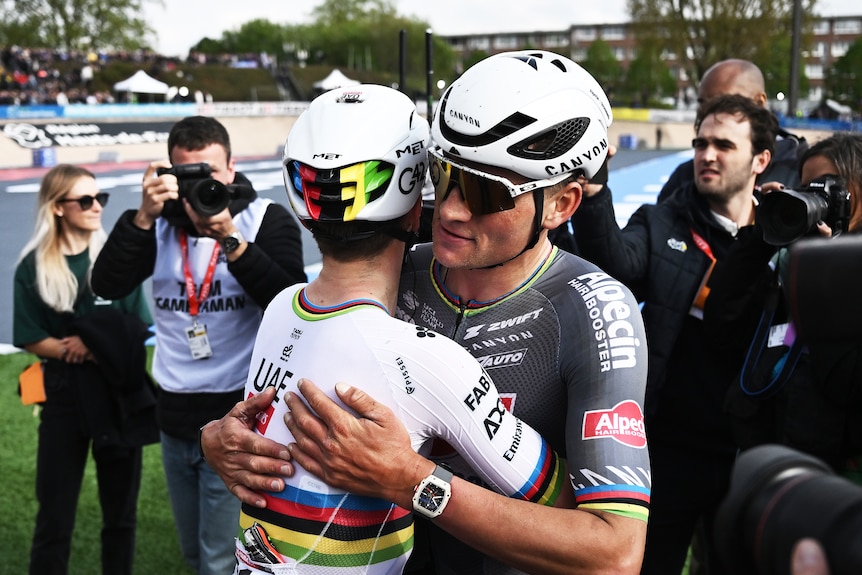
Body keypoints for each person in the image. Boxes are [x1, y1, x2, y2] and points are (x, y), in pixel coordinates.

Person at [202, 50, 651, 575]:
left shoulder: (593, 309)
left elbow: (615, 553)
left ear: (562, 205)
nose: (453, 209)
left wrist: (412, 481)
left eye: (486, 192)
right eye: (443, 174)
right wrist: (224, 440)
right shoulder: (398, 269)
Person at [570, 93, 779, 575]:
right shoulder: (662, 220)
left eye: (724, 144)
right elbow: (614, 268)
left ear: (760, 160)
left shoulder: (781, 235)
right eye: (701, 142)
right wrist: (597, 193)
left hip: (747, 452)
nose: (707, 154)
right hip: (667, 447)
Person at [91, 116, 307, 575]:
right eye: (188, 174)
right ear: (170, 173)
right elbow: (106, 282)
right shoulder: (160, 226)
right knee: (194, 552)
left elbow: (289, 301)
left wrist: (230, 240)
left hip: (238, 414)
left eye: (210, 173)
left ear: (231, 168)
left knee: (217, 558)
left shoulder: (263, 218)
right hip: (172, 415)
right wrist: (144, 215)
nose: (201, 185)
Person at [13, 164, 156, 575]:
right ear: (58, 208)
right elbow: (29, 335)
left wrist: (94, 343)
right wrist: (70, 348)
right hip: (63, 398)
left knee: (120, 517)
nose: (98, 207)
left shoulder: (116, 260)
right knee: (54, 515)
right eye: (86, 200)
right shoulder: (33, 266)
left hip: (118, 394)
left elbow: (139, 324)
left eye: (100, 198)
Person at [703, 132, 862, 475]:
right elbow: (722, 329)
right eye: (806, 189)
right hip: (766, 461)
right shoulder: (790, 261)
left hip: (835, 477)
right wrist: (762, 237)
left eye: (827, 189)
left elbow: (845, 382)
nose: (814, 200)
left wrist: (829, 276)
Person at [657, 59, 807, 203]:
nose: (709, 114)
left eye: (725, 103)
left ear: (759, 102)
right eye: (703, 104)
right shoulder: (686, 176)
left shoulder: (804, 169)